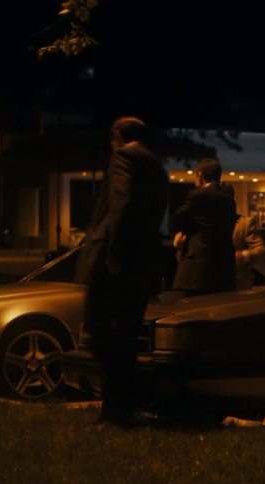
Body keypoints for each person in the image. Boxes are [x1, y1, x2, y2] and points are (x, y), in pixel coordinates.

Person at [74, 116, 169, 425]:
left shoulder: (124, 157)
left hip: (117, 263)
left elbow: (122, 203)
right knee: (126, 336)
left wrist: (113, 253)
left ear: (118, 136)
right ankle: (122, 406)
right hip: (143, 264)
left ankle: (120, 404)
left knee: (97, 331)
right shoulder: (156, 166)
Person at [170, 158, 237, 295]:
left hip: (199, 269)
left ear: (200, 174)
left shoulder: (199, 195)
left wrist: (183, 232)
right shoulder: (229, 199)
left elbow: (176, 219)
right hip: (224, 267)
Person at [233, 214, 265, 289]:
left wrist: (242, 255)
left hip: (238, 284)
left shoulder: (244, 223)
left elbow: (262, 251)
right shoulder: (208, 224)